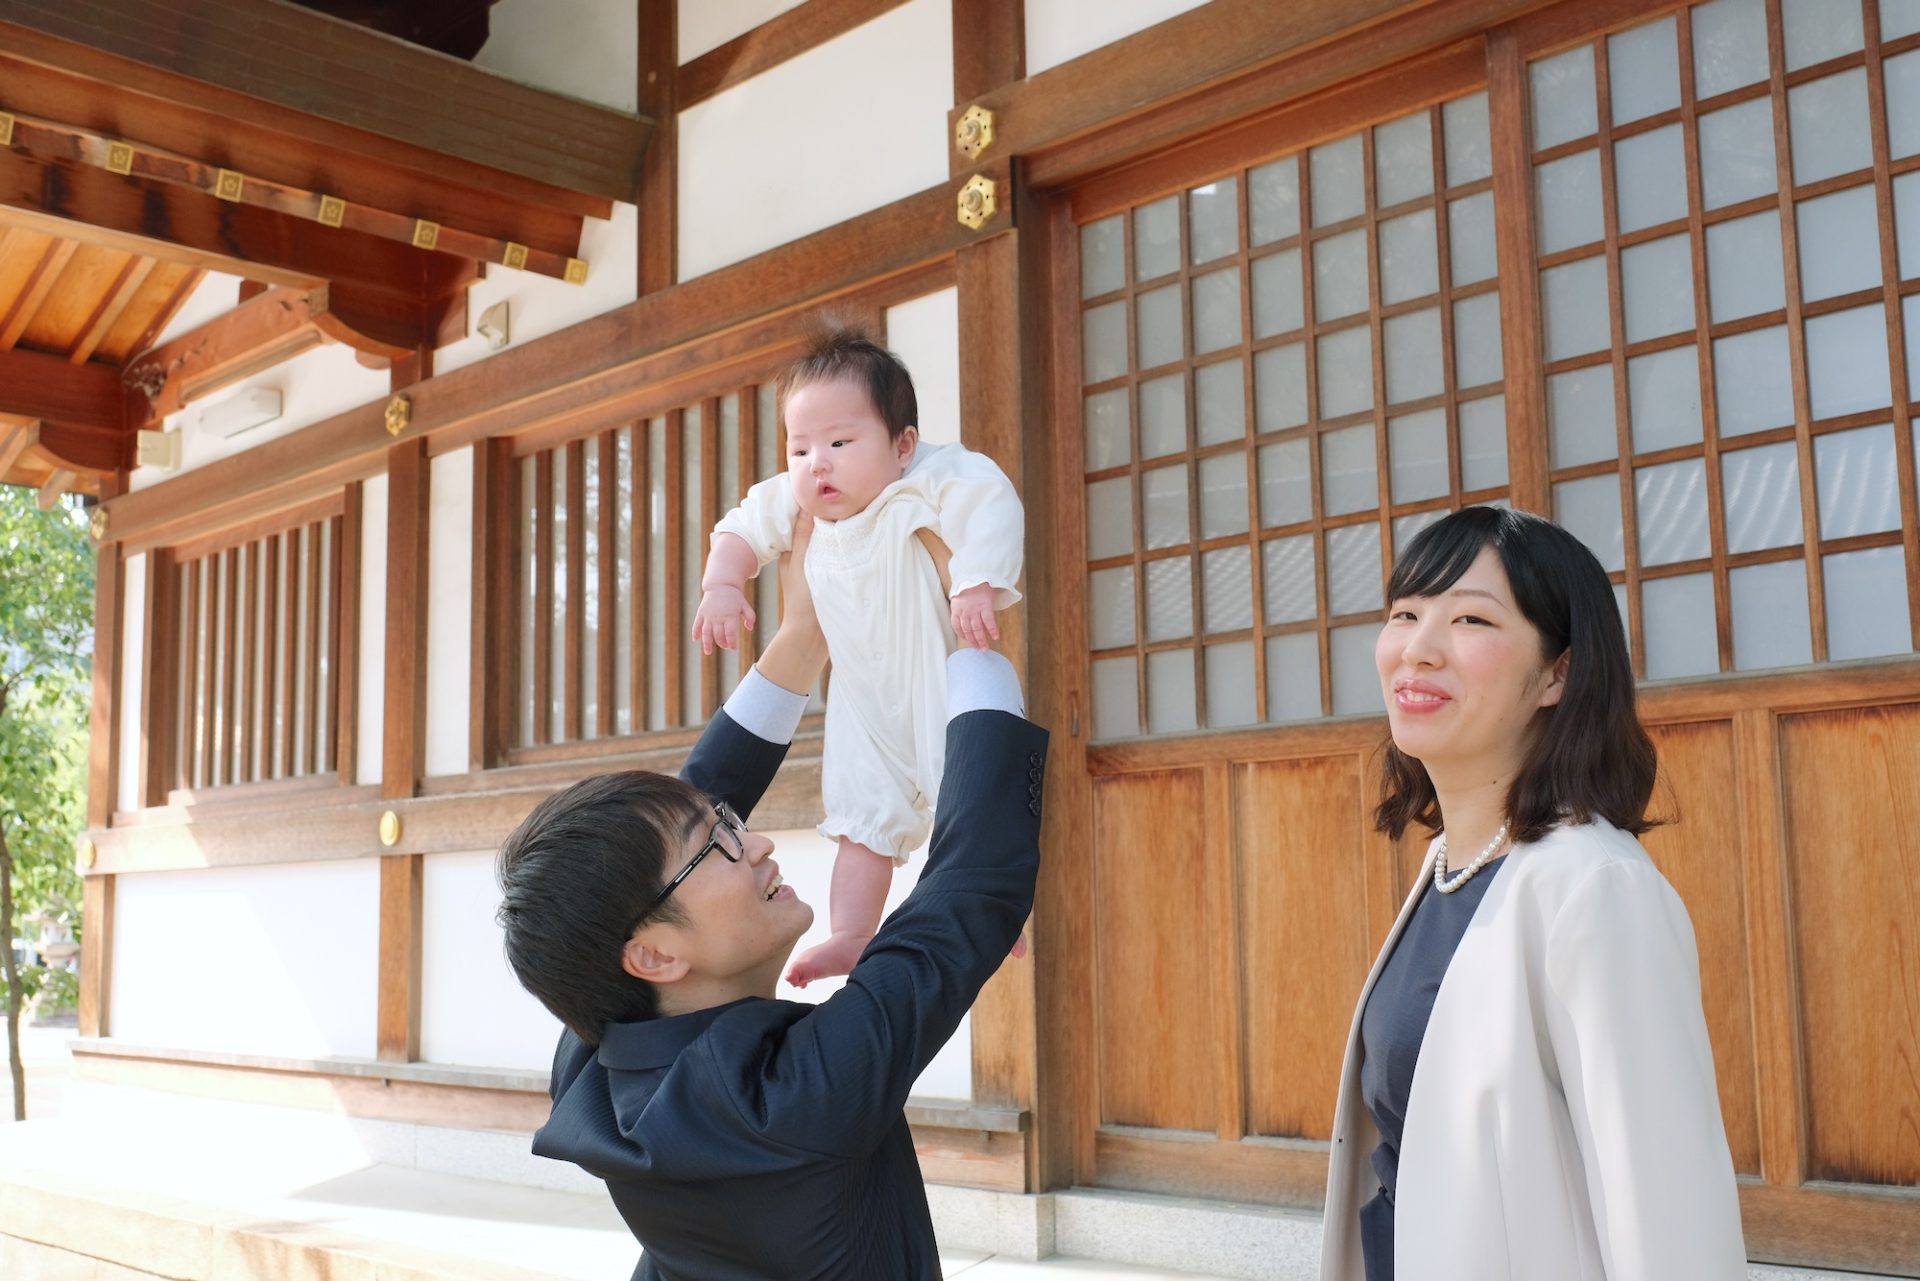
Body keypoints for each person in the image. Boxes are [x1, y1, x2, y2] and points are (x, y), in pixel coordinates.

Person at [495, 517, 1047, 1281]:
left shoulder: (600, 1061)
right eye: (722, 844)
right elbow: (969, 886)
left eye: (732, 827)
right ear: (654, 953)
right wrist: (970, 636)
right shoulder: (795, 1100)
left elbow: (678, 826)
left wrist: (800, 636)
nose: (756, 841)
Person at [1319, 505, 1745, 1281]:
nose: (1418, 648)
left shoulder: (1594, 887)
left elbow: (1670, 1215)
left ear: (1559, 673)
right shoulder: (1454, 864)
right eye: (1405, 614)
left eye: (1471, 619)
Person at [693, 325, 1025, 986]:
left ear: (902, 446)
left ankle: (1000, 908)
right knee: (860, 821)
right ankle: (850, 931)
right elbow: (737, 526)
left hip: (934, 680)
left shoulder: (925, 481)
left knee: (974, 796)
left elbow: (989, 502)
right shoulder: (796, 501)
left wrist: (976, 579)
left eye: (841, 443)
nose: (819, 462)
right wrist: (723, 583)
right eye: (800, 447)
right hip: (861, 703)